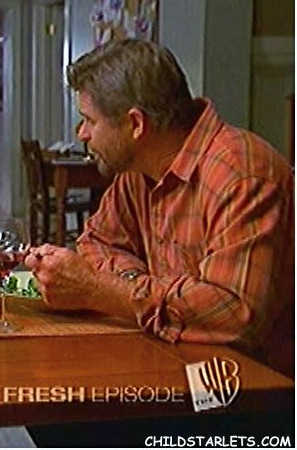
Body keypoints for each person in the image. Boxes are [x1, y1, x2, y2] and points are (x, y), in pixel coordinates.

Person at [25, 39, 294, 377]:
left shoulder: (241, 174)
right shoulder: (138, 169)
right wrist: (132, 283)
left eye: (89, 120)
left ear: (136, 124)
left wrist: (98, 290)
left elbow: (233, 314)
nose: (82, 134)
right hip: (175, 359)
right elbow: (97, 241)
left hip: (258, 383)